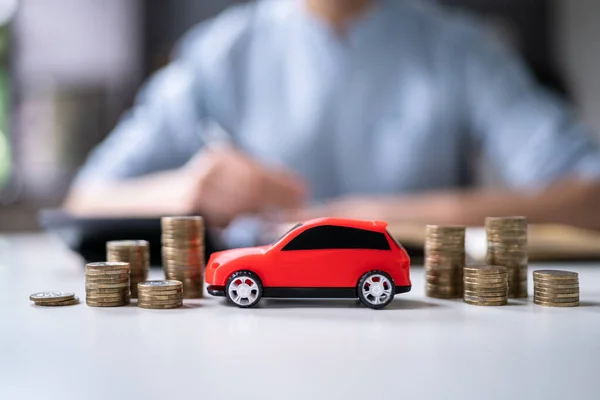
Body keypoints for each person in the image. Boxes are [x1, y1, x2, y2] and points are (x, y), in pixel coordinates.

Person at [64, 0, 600, 246]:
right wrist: (189, 189)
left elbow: (591, 195)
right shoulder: (221, 52)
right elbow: (85, 199)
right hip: (250, 337)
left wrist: (391, 218)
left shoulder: (460, 47)